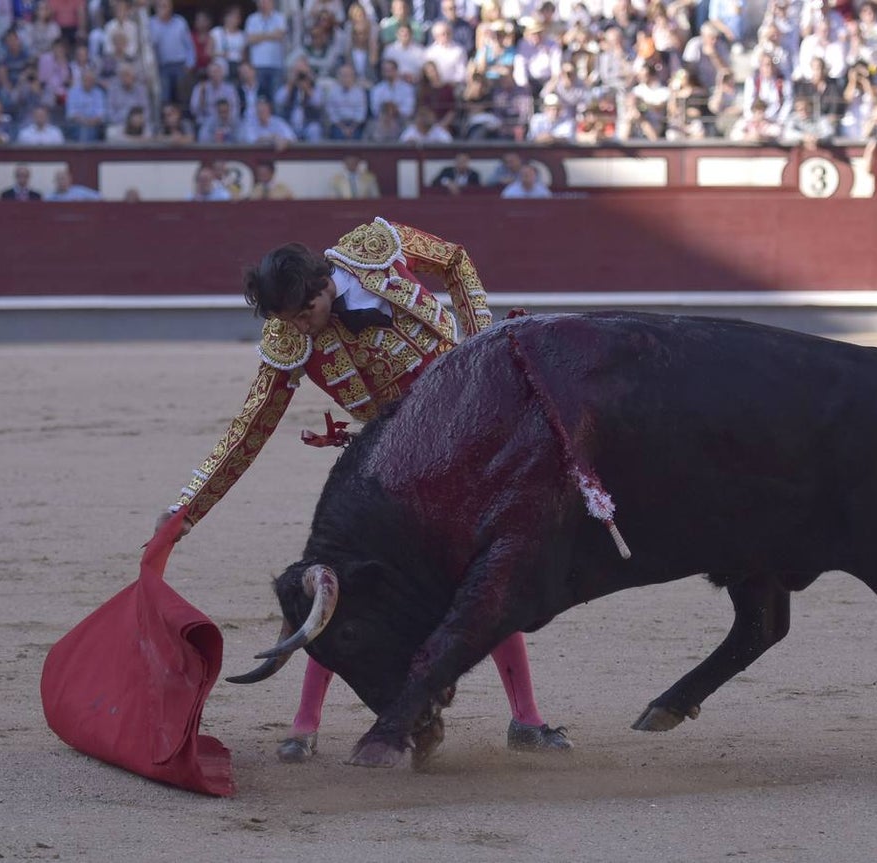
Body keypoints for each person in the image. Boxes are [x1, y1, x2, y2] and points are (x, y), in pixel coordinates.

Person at [158, 217, 571, 762]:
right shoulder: (288, 336)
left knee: (485, 578)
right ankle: (304, 724)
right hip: (395, 464)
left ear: (325, 284)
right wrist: (188, 509)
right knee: (340, 590)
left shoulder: (375, 249)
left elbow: (454, 259)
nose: (302, 329)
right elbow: (249, 428)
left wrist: (481, 343)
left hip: (472, 446)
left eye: (306, 314)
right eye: (290, 320)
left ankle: (527, 719)